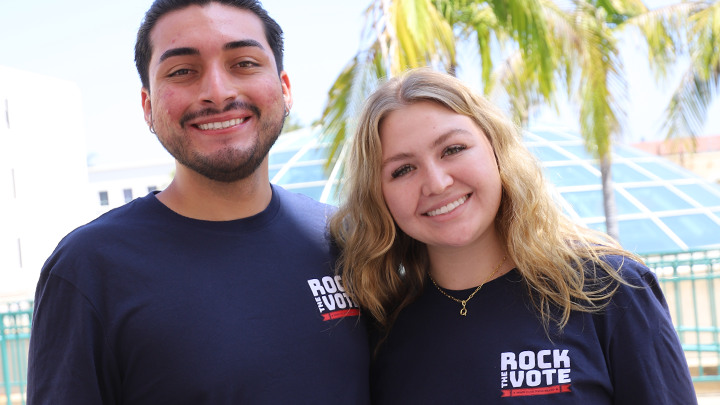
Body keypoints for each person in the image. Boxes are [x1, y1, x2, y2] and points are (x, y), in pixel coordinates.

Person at [27, 1, 369, 403]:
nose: (218, 92)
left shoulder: (347, 240)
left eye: (244, 63)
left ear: (285, 88)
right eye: (182, 71)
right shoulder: (90, 268)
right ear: (148, 107)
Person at [329, 68, 697, 404]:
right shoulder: (380, 326)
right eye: (403, 169)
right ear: (379, 194)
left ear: (496, 149)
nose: (437, 183)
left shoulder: (610, 290)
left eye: (453, 149)